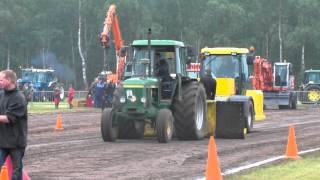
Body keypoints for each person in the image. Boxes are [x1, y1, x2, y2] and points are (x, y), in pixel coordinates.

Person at [0, 70, 28, 180]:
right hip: (2, 141)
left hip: (16, 142)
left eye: (1, 80)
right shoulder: (1, 94)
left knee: (16, 173)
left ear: (9, 80)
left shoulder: (19, 98)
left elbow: (8, 118)